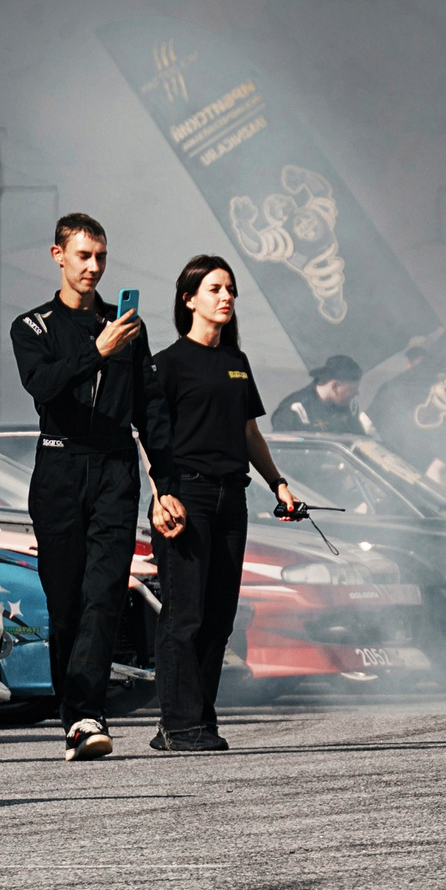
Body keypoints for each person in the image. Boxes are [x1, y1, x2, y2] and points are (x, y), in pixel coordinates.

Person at [141, 255, 302, 751]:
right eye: (214, 289)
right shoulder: (167, 363)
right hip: (185, 497)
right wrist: (161, 495)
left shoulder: (237, 362)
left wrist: (278, 483)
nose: (226, 297)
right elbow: (147, 435)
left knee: (219, 618)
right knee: (184, 615)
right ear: (189, 299)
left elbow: (249, 432)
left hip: (232, 497)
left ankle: (200, 720)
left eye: (230, 289)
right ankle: (177, 725)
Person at [9, 213, 153, 762]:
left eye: (101, 257)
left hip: (115, 467)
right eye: (84, 255)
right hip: (59, 468)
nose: (93, 266)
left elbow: (150, 411)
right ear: (58, 255)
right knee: (66, 601)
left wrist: (165, 485)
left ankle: (86, 717)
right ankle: (73, 714)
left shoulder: (127, 325)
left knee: (104, 593)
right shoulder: (32, 326)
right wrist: (98, 351)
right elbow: (42, 385)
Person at [271, 354, 369, 434]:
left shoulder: (350, 407)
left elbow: (359, 440)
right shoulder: (295, 409)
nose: (357, 393)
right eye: (352, 389)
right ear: (334, 386)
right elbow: (281, 448)